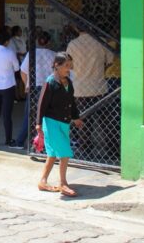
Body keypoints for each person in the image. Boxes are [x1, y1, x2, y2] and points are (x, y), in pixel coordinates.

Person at [36, 52, 83, 197]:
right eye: (66, 66)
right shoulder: (50, 82)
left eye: (70, 66)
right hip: (51, 123)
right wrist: (38, 124)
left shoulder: (68, 82)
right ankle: (63, 183)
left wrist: (75, 117)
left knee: (52, 154)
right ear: (57, 65)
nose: (69, 69)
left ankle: (42, 181)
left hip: (64, 123)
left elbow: (71, 102)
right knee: (64, 152)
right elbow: (41, 105)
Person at [66, 27, 112, 152]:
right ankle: (112, 149)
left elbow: (69, 65)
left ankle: (85, 149)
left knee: (84, 122)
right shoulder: (101, 41)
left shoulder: (72, 44)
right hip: (99, 86)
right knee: (105, 120)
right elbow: (110, 60)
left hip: (80, 88)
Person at [12, 32, 56, 149]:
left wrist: (27, 85)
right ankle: (49, 144)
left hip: (34, 87)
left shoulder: (31, 54)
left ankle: (21, 142)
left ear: (37, 41)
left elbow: (23, 71)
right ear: (49, 42)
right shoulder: (54, 55)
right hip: (49, 87)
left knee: (29, 115)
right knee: (49, 116)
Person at [0, 31, 20, 146]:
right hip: (7, 85)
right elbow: (17, 68)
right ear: (6, 41)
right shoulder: (9, 52)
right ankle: (8, 139)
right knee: (7, 114)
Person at [8, 25, 27, 101]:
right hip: (17, 61)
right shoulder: (12, 40)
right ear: (15, 32)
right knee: (17, 80)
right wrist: (20, 55)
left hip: (24, 60)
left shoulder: (22, 39)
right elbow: (14, 52)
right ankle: (16, 95)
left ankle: (22, 94)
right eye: (19, 31)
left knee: (22, 79)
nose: (21, 32)